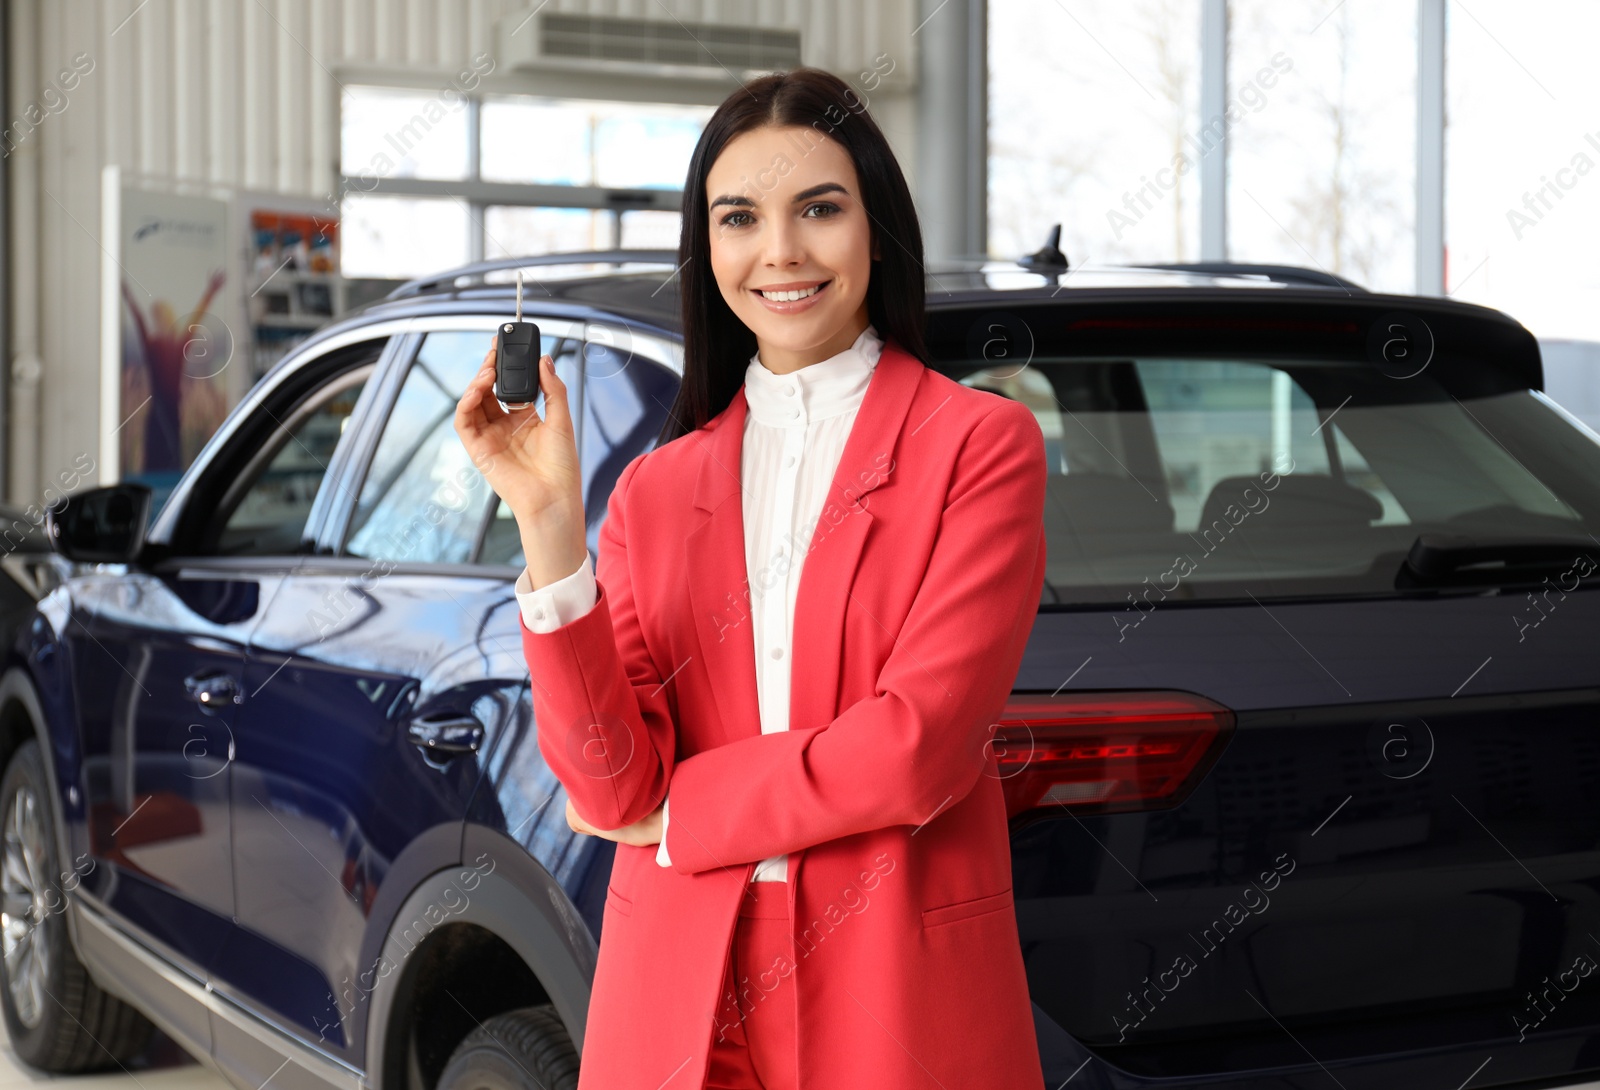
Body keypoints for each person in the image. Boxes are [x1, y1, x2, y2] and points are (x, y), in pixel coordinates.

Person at [454, 65, 1047, 1090]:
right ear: (709, 248)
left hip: (889, 975)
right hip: (681, 984)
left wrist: (682, 817)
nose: (780, 251)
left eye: (818, 208)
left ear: (875, 229)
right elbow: (608, 782)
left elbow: (915, 745)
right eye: (739, 218)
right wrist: (549, 527)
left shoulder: (977, 445)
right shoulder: (652, 486)